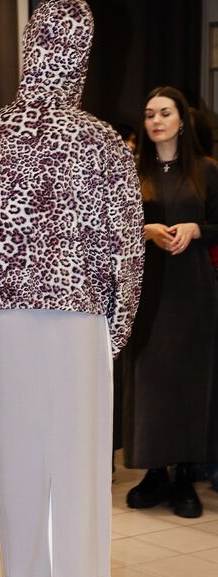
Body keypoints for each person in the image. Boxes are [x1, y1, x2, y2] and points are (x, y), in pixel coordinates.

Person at [0, 0, 144, 577]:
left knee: (16, 469)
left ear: (29, 45)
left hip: (4, 319)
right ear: (82, 54)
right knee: (70, 469)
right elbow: (125, 250)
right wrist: (115, 330)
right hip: (78, 323)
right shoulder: (101, 142)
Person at [123, 87, 218, 518]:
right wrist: (145, 231)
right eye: (149, 114)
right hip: (146, 291)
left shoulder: (206, 170)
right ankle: (154, 471)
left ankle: (184, 475)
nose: (156, 121)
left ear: (182, 120)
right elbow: (112, 228)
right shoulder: (130, 171)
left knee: (189, 379)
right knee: (148, 379)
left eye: (165, 113)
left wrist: (196, 230)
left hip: (192, 290)